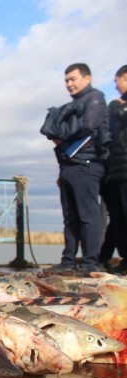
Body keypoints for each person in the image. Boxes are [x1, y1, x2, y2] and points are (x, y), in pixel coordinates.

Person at [42, 64, 109, 274]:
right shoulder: (73, 104)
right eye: (66, 80)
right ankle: (68, 261)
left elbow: (88, 126)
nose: (69, 84)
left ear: (87, 78)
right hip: (69, 165)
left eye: (73, 79)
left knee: (88, 216)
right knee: (70, 217)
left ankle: (90, 262)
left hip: (87, 165)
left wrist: (60, 132)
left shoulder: (95, 98)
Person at [100, 65, 127, 274]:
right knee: (118, 216)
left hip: (122, 167)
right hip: (115, 169)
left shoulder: (118, 106)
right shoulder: (115, 105)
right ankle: (113, 257)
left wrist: (118, 108)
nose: (116, 86)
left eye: (117, 81)